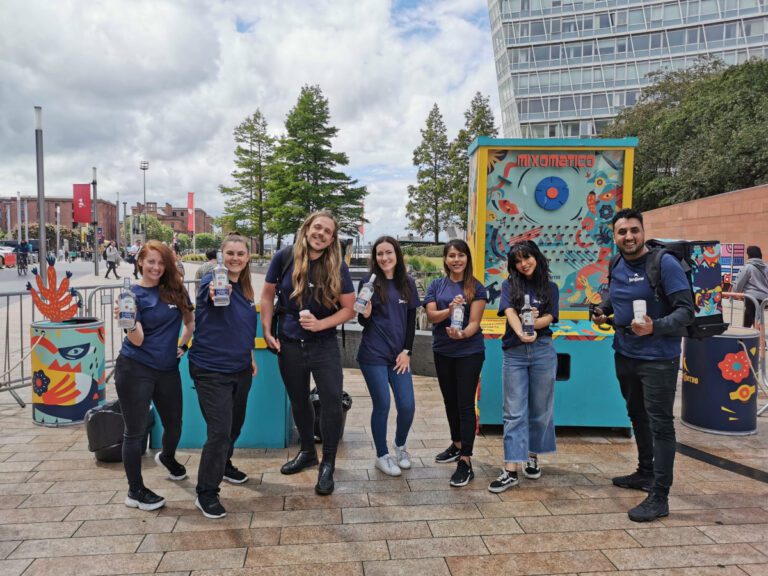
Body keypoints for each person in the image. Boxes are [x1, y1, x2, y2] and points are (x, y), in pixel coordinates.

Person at [592, 208, 694, 522]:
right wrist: (600, 309)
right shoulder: (616, 263)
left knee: (661, 423)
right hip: (625, 352)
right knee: (637, 415)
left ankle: (660, 496)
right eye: (622, 232)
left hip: (658, 358)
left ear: (643, 231)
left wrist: (655, 326)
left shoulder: (664, 263)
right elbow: (614, 296)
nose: (629, 236)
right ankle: (645, 472)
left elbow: (687, 311)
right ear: (615, 236)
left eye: (634, 230)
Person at [259, 210, 355, 496]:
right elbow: (266, 296)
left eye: (327, 231)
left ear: (332, 238)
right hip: (289, 342)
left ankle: (328, 462)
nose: (321, 234)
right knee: (298, 400)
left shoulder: (338, 266)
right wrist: (267, 330)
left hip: (323, 344)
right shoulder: (285, 256)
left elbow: (349, 309)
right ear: (307, 228)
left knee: (331, 401)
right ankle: (306, 452)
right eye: (317, 228)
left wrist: (321, 323)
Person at [113, 240, 194, 511]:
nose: (156, 267)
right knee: (134, 432)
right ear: (140, 263)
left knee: (175, 423)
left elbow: (189, 321)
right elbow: (137, 341)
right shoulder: (132, 296)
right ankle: (135, 491)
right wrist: (129, 323)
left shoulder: (175, 290)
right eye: (151, 262)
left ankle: (168, 457)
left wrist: (183, 344)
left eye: (161, 262)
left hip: (168, 369)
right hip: (135, 369)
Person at [188, 234, 258, 519]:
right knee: (219, 432)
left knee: (234, 427)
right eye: (230, 253)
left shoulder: (246, 289)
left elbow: (241, 325)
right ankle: (206, 492)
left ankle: (224, 465)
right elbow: (212, 294)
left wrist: (250, 356)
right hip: (211, 369)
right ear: (221, 255)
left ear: (247, 257)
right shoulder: (212, 280)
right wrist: (217, 283)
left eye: (240, 254)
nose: (235, 258)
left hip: (240, 368)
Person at [488, 241, 559, 493]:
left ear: (536, 257)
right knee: (514, 411)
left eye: (526, 258)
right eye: (517, 261)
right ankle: (510, 469)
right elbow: (508, 311)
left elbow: (551, 317)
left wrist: (534, 324)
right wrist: (521, 332)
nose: (523, 264)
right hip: (515, 352)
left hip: (542, 351)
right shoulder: (510, 285)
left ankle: (532, 455)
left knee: (540, 409)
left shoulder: (550, 287)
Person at [424, 239, 487, 487]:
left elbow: (474, 323)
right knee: (449, 400)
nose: (456, 260)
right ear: (445, 259)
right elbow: (431, 316)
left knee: (464, 404)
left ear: (467, 258)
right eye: (451, 255)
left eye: (461, 255)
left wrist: (463, 334)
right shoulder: (437, 285)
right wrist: (449, 310)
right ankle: (457, 443)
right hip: (443, 351)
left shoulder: (476, 287)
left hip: (469, 352)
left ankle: (466, 460)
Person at [357, 236, 419, 477]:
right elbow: (363, 320)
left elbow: (411, 322)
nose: (384, 258)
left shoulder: (408, 283)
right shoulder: (369, 282)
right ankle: (382, 455)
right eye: (379, 254)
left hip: (399, 356)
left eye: (388, 253)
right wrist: (365, 313)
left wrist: (407, 351)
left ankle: (400, 446)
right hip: (373, 354)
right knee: (382, 403)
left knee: (407, 406)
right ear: (375, 258)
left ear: (397, 255)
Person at [734, 245, 768, 328]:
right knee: (755, 318)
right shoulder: (766, 267)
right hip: (764, 298)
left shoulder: (748, 267)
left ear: (749, 255)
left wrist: (735, 292)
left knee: (750, 319)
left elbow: (739, 282)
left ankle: (751, 338)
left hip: (751, 297)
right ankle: (756, 338)